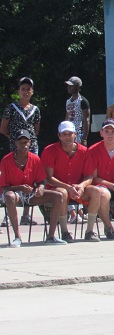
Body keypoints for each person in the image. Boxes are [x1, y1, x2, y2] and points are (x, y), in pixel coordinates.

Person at [0, 130, 67, 247]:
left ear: (30, 143)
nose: (24, 145)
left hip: (30, 194)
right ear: (15, 143)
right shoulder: (6, 160)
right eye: (21, 142)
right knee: (9, 196)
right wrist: (19, 187)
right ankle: (17, 237)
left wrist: (41, 188)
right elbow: (4, 187)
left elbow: (42, 181)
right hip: (13, 194)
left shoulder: (35, 159)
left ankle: (51, 236)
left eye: (26, 142)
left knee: (59, 195)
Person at [41, 121, 103, 242]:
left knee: (95, 191)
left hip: (77, 188)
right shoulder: (49, 150)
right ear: (59, 136)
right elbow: (49, 178)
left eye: (70, 134)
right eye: (64, 134)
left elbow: (89, 176)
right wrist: (68, 187)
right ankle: (65, 232)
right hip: (57, 187)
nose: (67, 137)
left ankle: (89, 231)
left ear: (75, 134)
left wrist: (81, 186)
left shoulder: (85, 151)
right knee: (62, 193)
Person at [1, 76, 40, 226]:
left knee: (31, 179)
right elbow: (3, 128)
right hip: (15, 148)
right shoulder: (11, 108)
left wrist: (28, 142)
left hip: (31, 147)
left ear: (32, 92)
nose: (26, 92)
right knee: (12, 180)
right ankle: (9, 214)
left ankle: (26, 214)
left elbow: (36, 129)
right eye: (23, 89)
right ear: (18, 91)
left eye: (28, 89)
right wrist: (15, 139)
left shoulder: (35, 110)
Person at [64, 76, 91, 145]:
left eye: (71, 86)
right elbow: (67, 117)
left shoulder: (82, 101)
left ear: (77, 87)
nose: (69, 87)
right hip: (69, 132)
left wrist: (84, 138)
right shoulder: (68, 101)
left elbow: (86, 119)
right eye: (68, 86)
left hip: (79, 133)